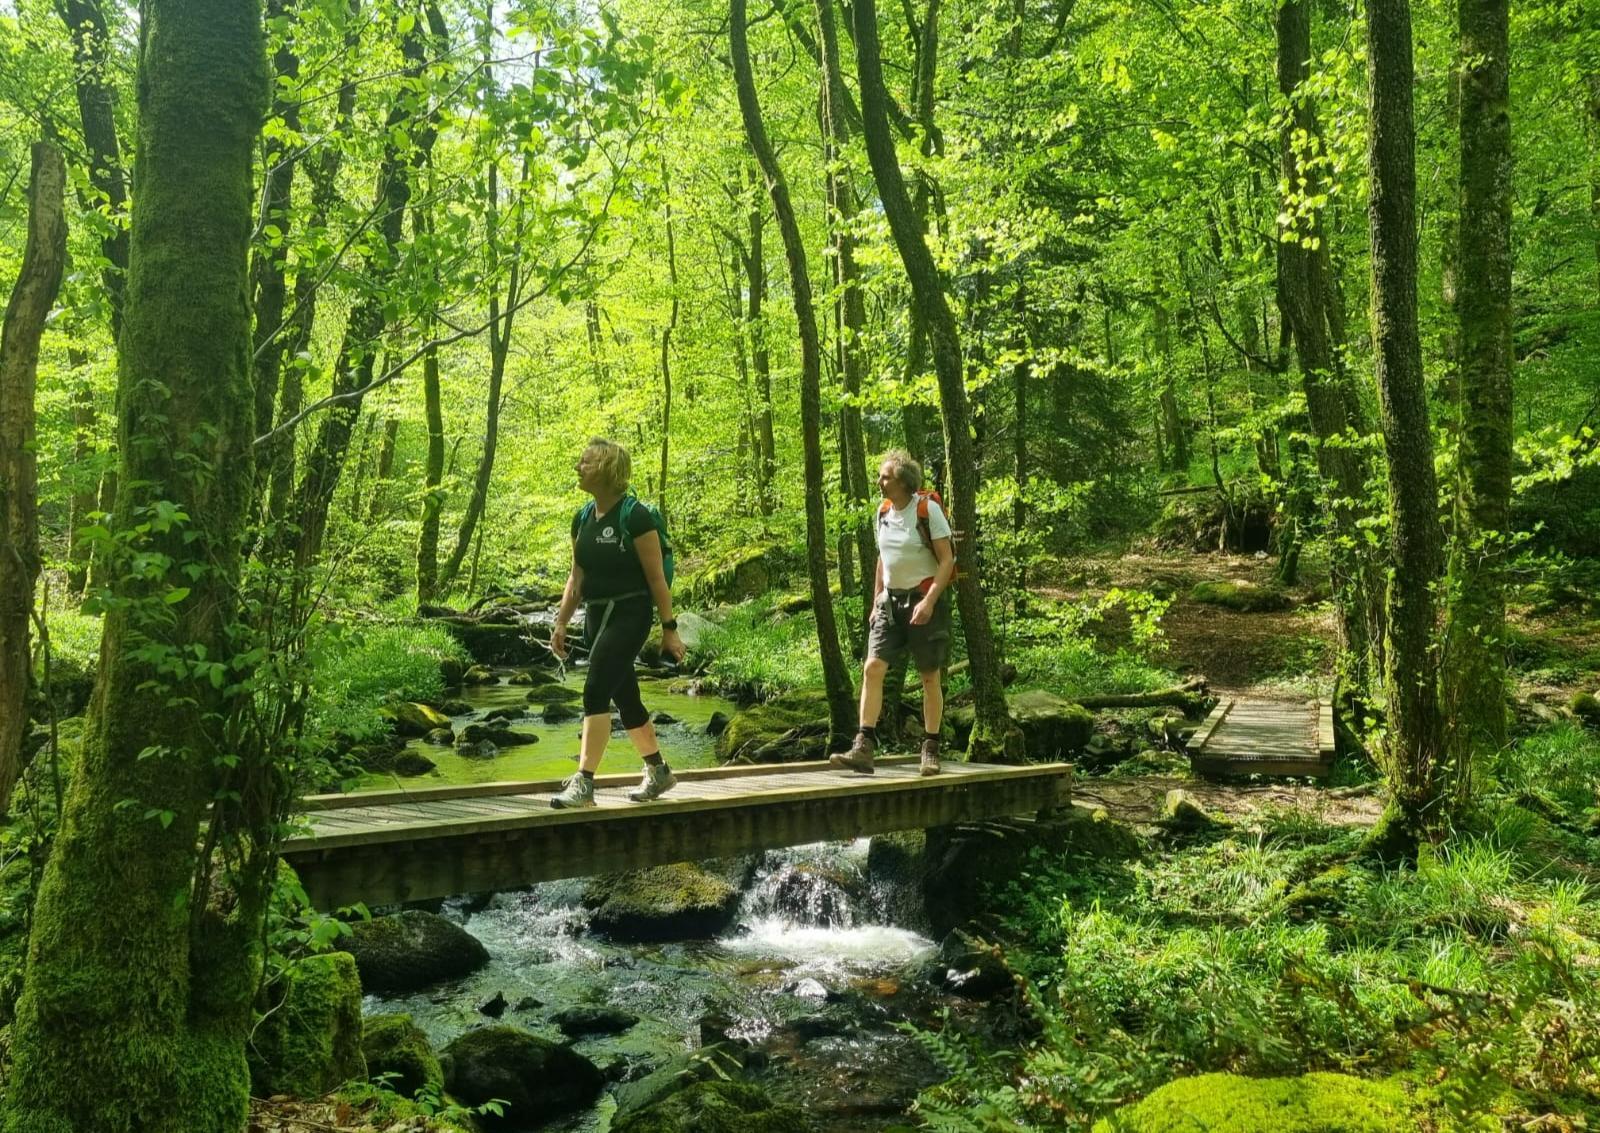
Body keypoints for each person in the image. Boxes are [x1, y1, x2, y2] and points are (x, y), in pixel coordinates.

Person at [548, 438, 685, 808]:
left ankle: (584, 783)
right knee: (626, 697)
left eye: (586, 462)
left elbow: (656, 579)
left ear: (608, 469)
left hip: (630, 614)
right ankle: (658, 771)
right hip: (595, 617)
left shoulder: (635, 516)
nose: (579, 468)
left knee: (595, 687)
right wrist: (561, 623)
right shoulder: (581, 518)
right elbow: (576, 577)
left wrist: (669, 629)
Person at [831, 450, 955, 777]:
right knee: (872, 668)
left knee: (929, 676)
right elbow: (882, 559)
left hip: (924, 601)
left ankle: (930, 747)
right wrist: (875, 601)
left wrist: (929, 601)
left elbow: (947, 561)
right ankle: (864, 747)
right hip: (889, 604)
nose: (879, 481)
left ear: (902, 481)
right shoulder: (883, 511)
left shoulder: (927, 511)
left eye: (885, 476)